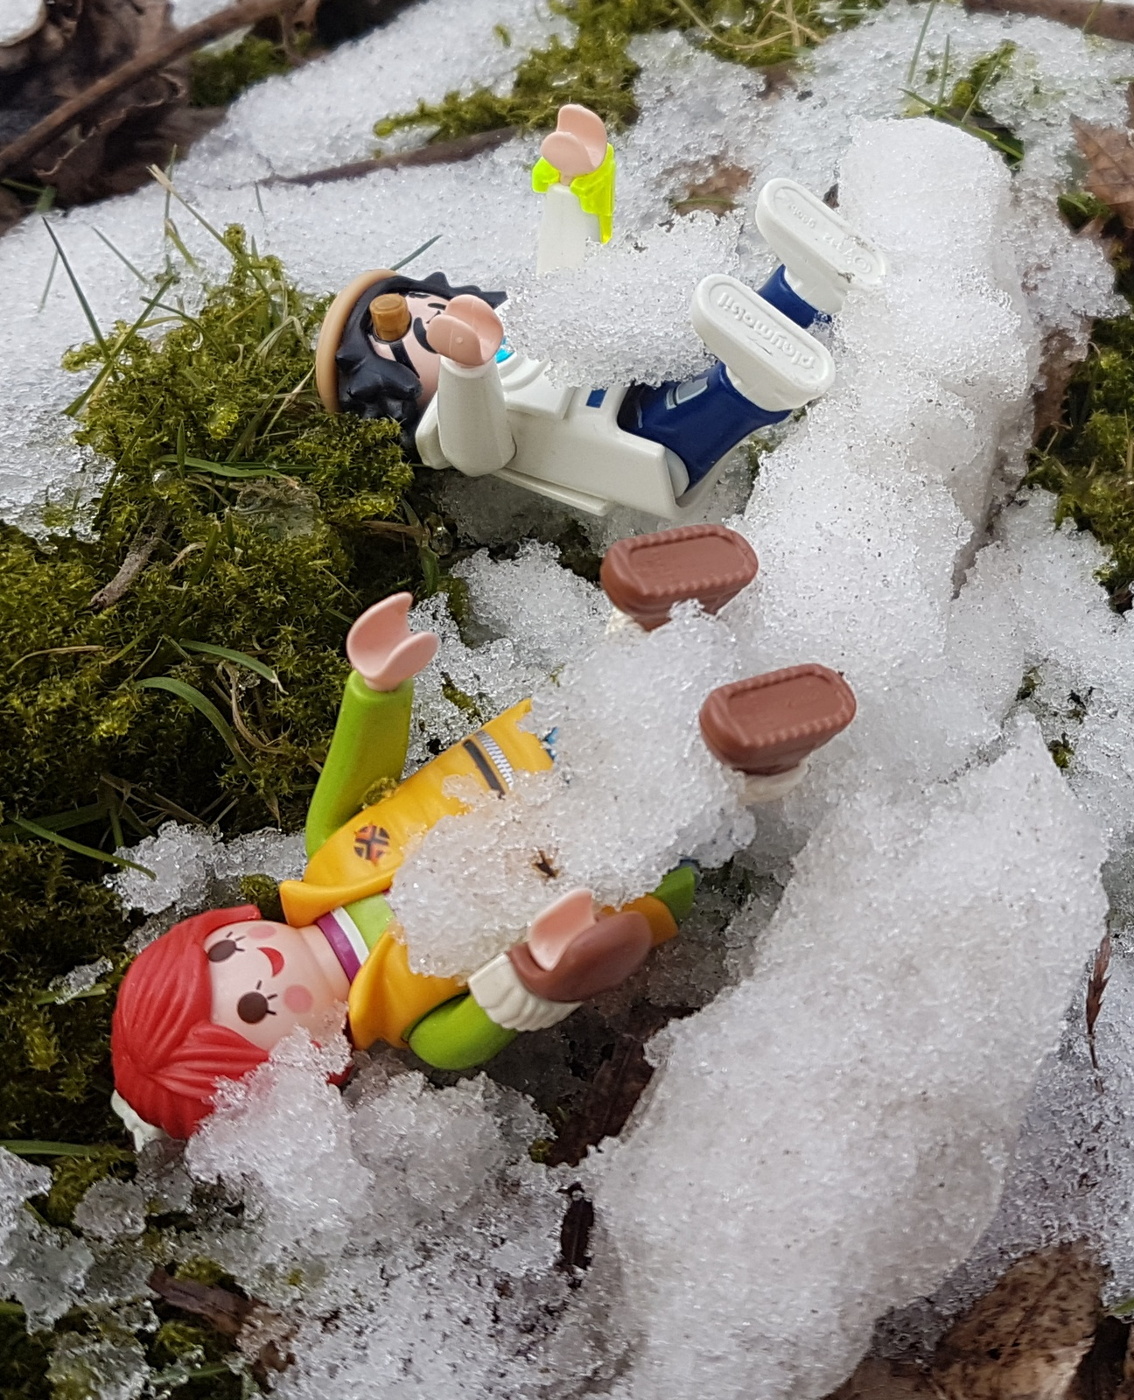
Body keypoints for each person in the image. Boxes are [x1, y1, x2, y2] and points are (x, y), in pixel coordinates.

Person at [110, 525, 857, 1142]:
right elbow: (505, 1004)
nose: (261, 968)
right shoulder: (423, 1030)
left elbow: (360, 774)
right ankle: (746, 762)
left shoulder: (327, 854)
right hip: (599, 859)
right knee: (667, 814)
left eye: (225, 955)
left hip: (526, 752)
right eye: (254, 1010)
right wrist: (544, 974)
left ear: (220, 928)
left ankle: (651, 628)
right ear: (303, 1071)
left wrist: (375, 688)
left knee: (598, 703)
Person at [314, 106, 886, 520]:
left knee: (721, 337)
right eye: (415, 340)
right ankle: (756, 391)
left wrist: (576, 189)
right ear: (395, 394)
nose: (432, 318)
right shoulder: (452, 425)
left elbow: (567, 275)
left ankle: (806, 289)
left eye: (428, 306)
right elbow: (483, 453)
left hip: (626, 367)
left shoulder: (517, 318)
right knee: (706, 393)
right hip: (630, 442)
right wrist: (466, 367)